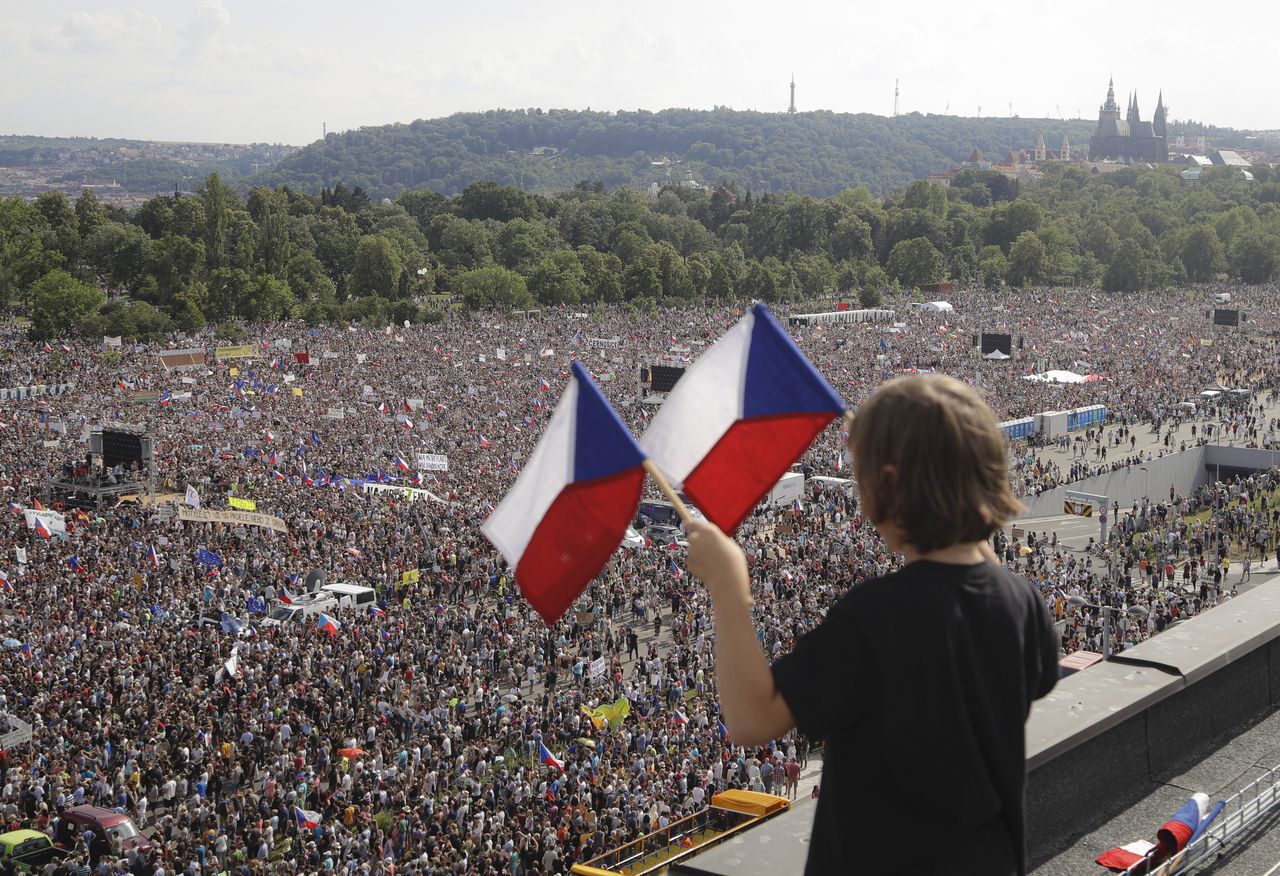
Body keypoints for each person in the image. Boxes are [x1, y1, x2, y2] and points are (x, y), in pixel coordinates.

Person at [687, 374, 1059, 876]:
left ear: (886, 484)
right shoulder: (1023, 604)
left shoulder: (872, 619)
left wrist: (728, 586)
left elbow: (752, 720)